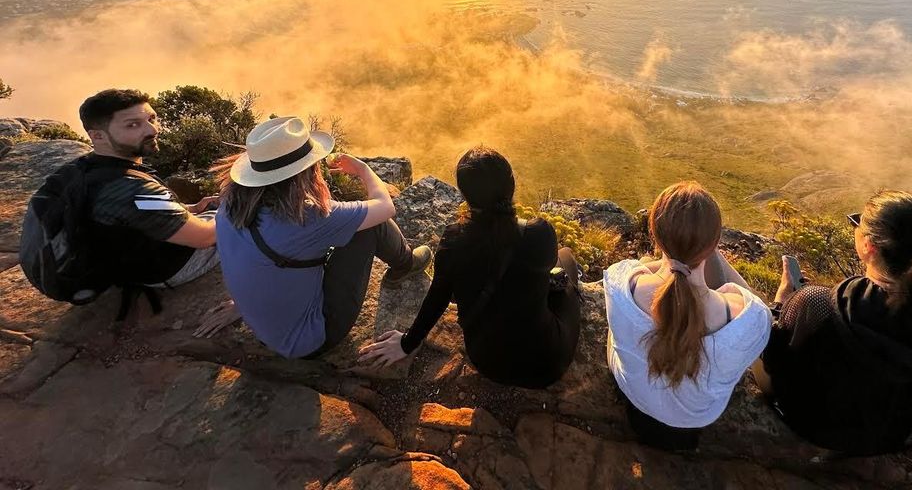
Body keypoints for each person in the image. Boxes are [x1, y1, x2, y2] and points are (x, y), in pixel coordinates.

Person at [755, 190, 912, 455]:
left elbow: (774, 360)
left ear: (869, 246)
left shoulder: (816, 302)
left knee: (752, 319)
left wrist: (781, 305)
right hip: (890, 438)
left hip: (809, 426)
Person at [205, 116, 431, 359]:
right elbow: (385, 208)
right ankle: (406, 265)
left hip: (265, 331)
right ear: (305, 171)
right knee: (369, 227)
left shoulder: (228, 207)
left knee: (350, 228)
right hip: (312, 340)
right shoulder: (307, 219)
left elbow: (243, 259)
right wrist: (364, 171)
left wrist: (244, 305)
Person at [359, 147, 581, 388]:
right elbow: (546, 265)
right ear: (511, 185)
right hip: (547, 366)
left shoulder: (454, 240)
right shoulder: (539, 232)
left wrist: (406, 343)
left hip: (487, 362)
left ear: (465, 195)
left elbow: (438, 298)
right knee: (565, 258)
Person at [604, 181, 772, 451]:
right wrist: (707, 252)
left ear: (654, 234)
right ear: (715, 243)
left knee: (644, 275)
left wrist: (664, 263)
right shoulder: (749, 319)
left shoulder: (619, 283)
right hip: (696, 420)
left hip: (634, 397)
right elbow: (755, 306)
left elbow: (646, 274)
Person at [76, 88, 221, 294]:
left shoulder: (87, 168)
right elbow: (205, 238)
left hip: (122, 260)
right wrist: (234, 209)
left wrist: (193, 208)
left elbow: (133, 215)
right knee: (251, 219)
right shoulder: (131, 188)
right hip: (165, 270)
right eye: (133, 125)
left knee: (217, 212)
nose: (152, 130)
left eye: (152, 119)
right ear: (98, 136)